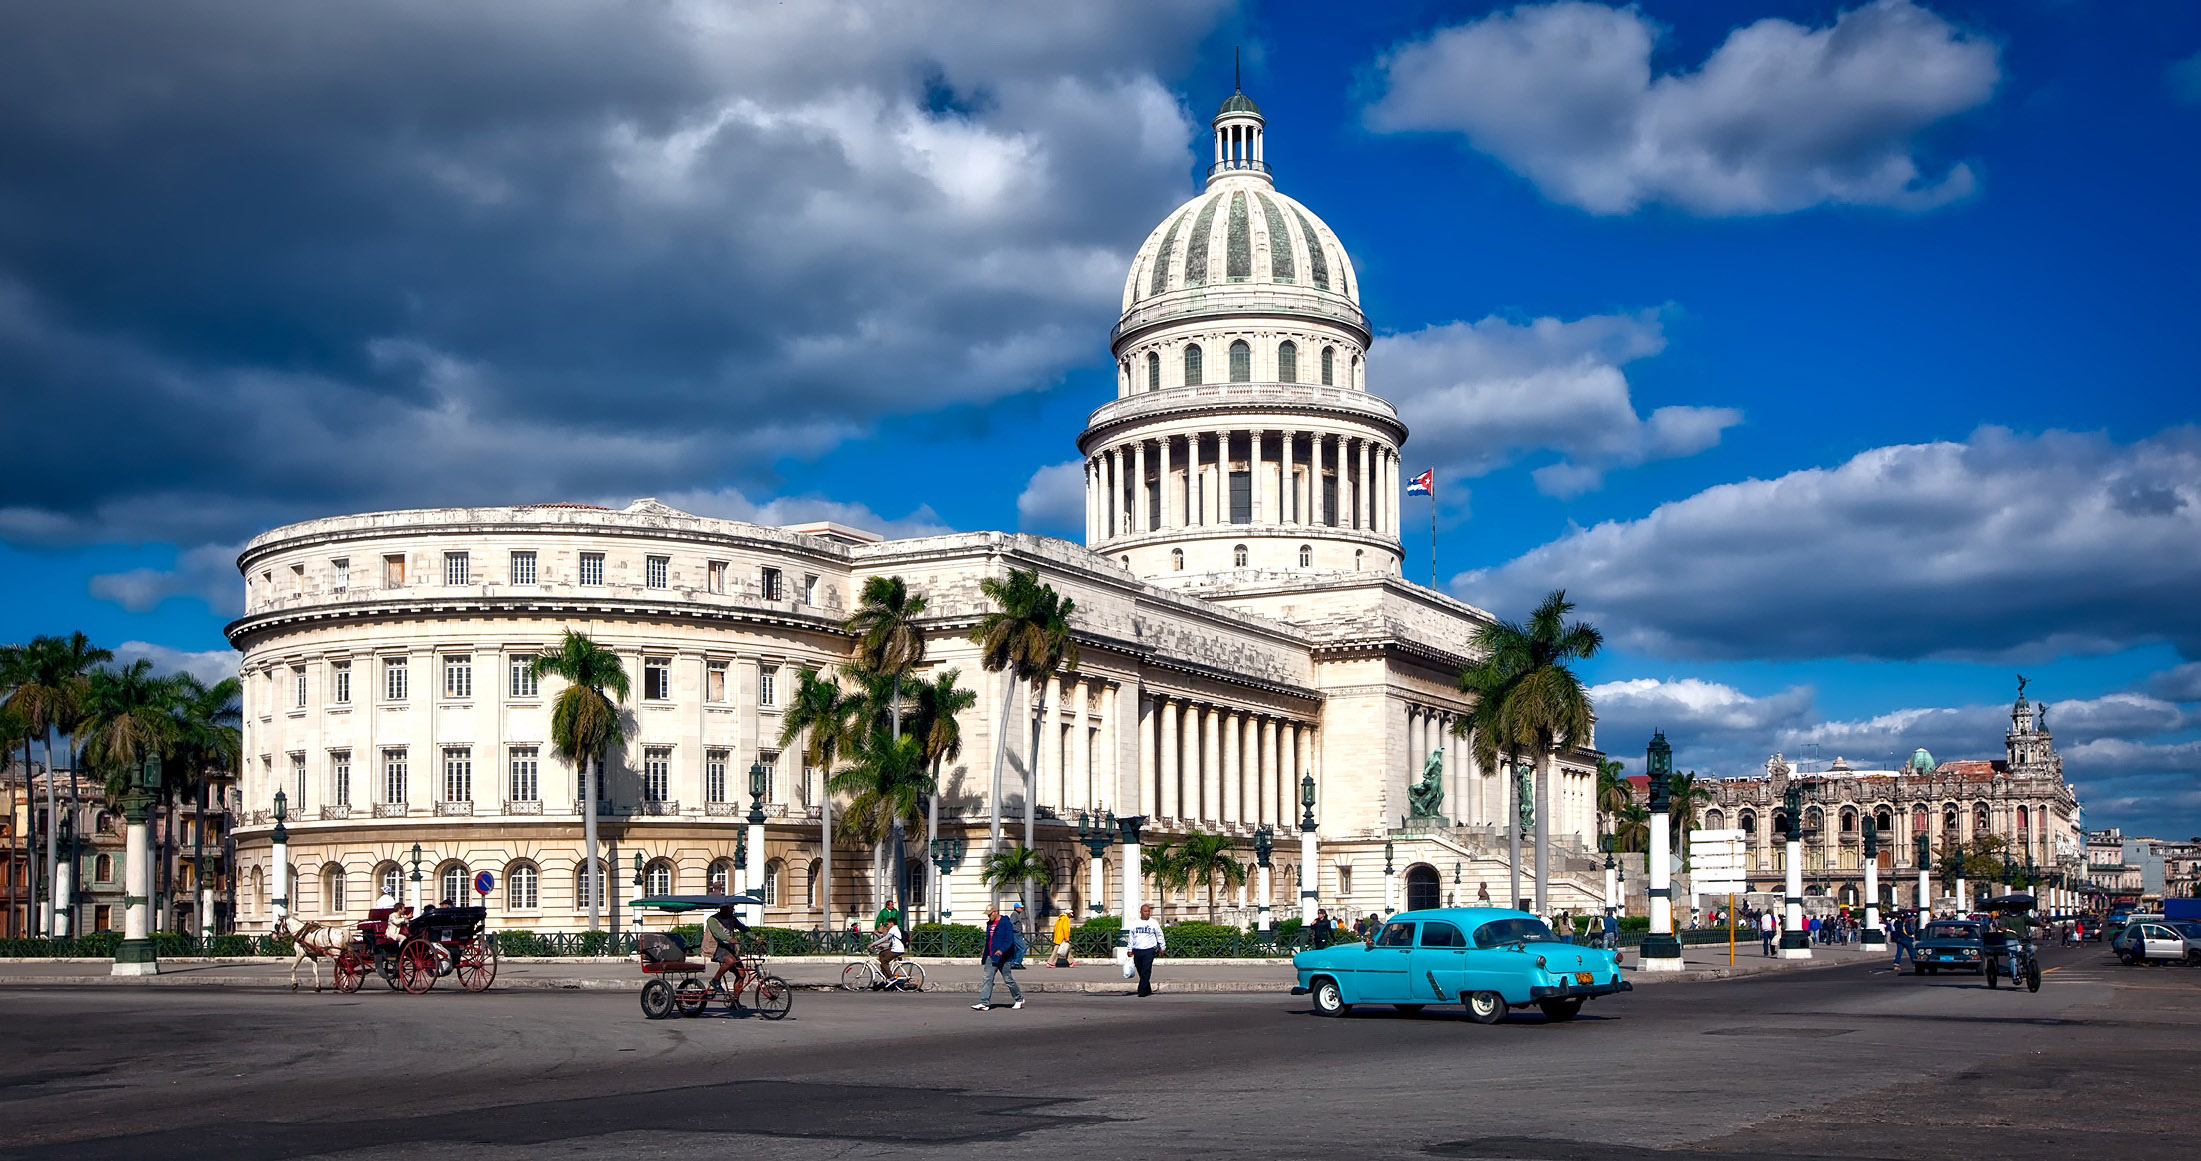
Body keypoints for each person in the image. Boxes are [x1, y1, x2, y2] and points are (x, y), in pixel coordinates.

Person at [973, 905, 1025, 1010]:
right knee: (987, 979)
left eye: (990, 914)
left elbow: (1009, 939)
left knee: (1008, 979)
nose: (988, 916)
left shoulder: (1006, 923)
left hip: (1003, 957)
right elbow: (989, 940)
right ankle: (984, 1003)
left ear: (996, 912)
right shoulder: (989, 924)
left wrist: (1001, 950)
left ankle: (1019, 999)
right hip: (991, 956)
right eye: (987, 914)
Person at [705, 904, 750, 993]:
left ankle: (735, 1001)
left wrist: (756, 938)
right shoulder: (712, 920)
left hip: (729, 948)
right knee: (730, 960)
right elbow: (717, 933)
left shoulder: (732, 919)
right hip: (715, 947)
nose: (733, 910)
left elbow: (743, 928)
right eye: (731, 908)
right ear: (724, 909)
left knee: (741, 974)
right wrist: (729, 939)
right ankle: (715, 980)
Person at [1125, 902, 1166, 997]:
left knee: (1146, 970)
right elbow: (1131, 937)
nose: (1147, 913)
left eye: (1148, 911)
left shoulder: (1153, 923)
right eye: (1145, 911)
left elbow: (1159, 935)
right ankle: (1147, 988)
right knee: (1140, 969)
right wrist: (1129, 949)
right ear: (1141, 912)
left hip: (1149, 950)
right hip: (1137, 949)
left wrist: (1162, 946)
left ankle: (1142, 990)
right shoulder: (1135, 923)